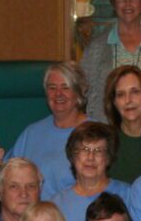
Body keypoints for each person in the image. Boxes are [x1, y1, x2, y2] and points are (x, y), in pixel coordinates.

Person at [81, 0, 141, 113]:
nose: (128, 4)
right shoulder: (97, 46)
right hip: (110, 127)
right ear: (113, 4)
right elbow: (85, 89)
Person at [53, 122, 132, 221]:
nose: (90, 158)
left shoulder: (129, 194)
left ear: (108, 158)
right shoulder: (56, 205)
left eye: (98, 151)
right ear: (72, 156)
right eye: (84, 150)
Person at [11, 63, 89, 196]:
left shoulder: (96, 133)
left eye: (65, 87)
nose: (58, 94)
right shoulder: (31, 133)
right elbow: (10, 178)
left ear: (78, 92)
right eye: (52, 88)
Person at [103, 65, 141, 183]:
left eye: (135, 92)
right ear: (114, 102)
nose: (128, 100)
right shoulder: (105, 142)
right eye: (120, 94)